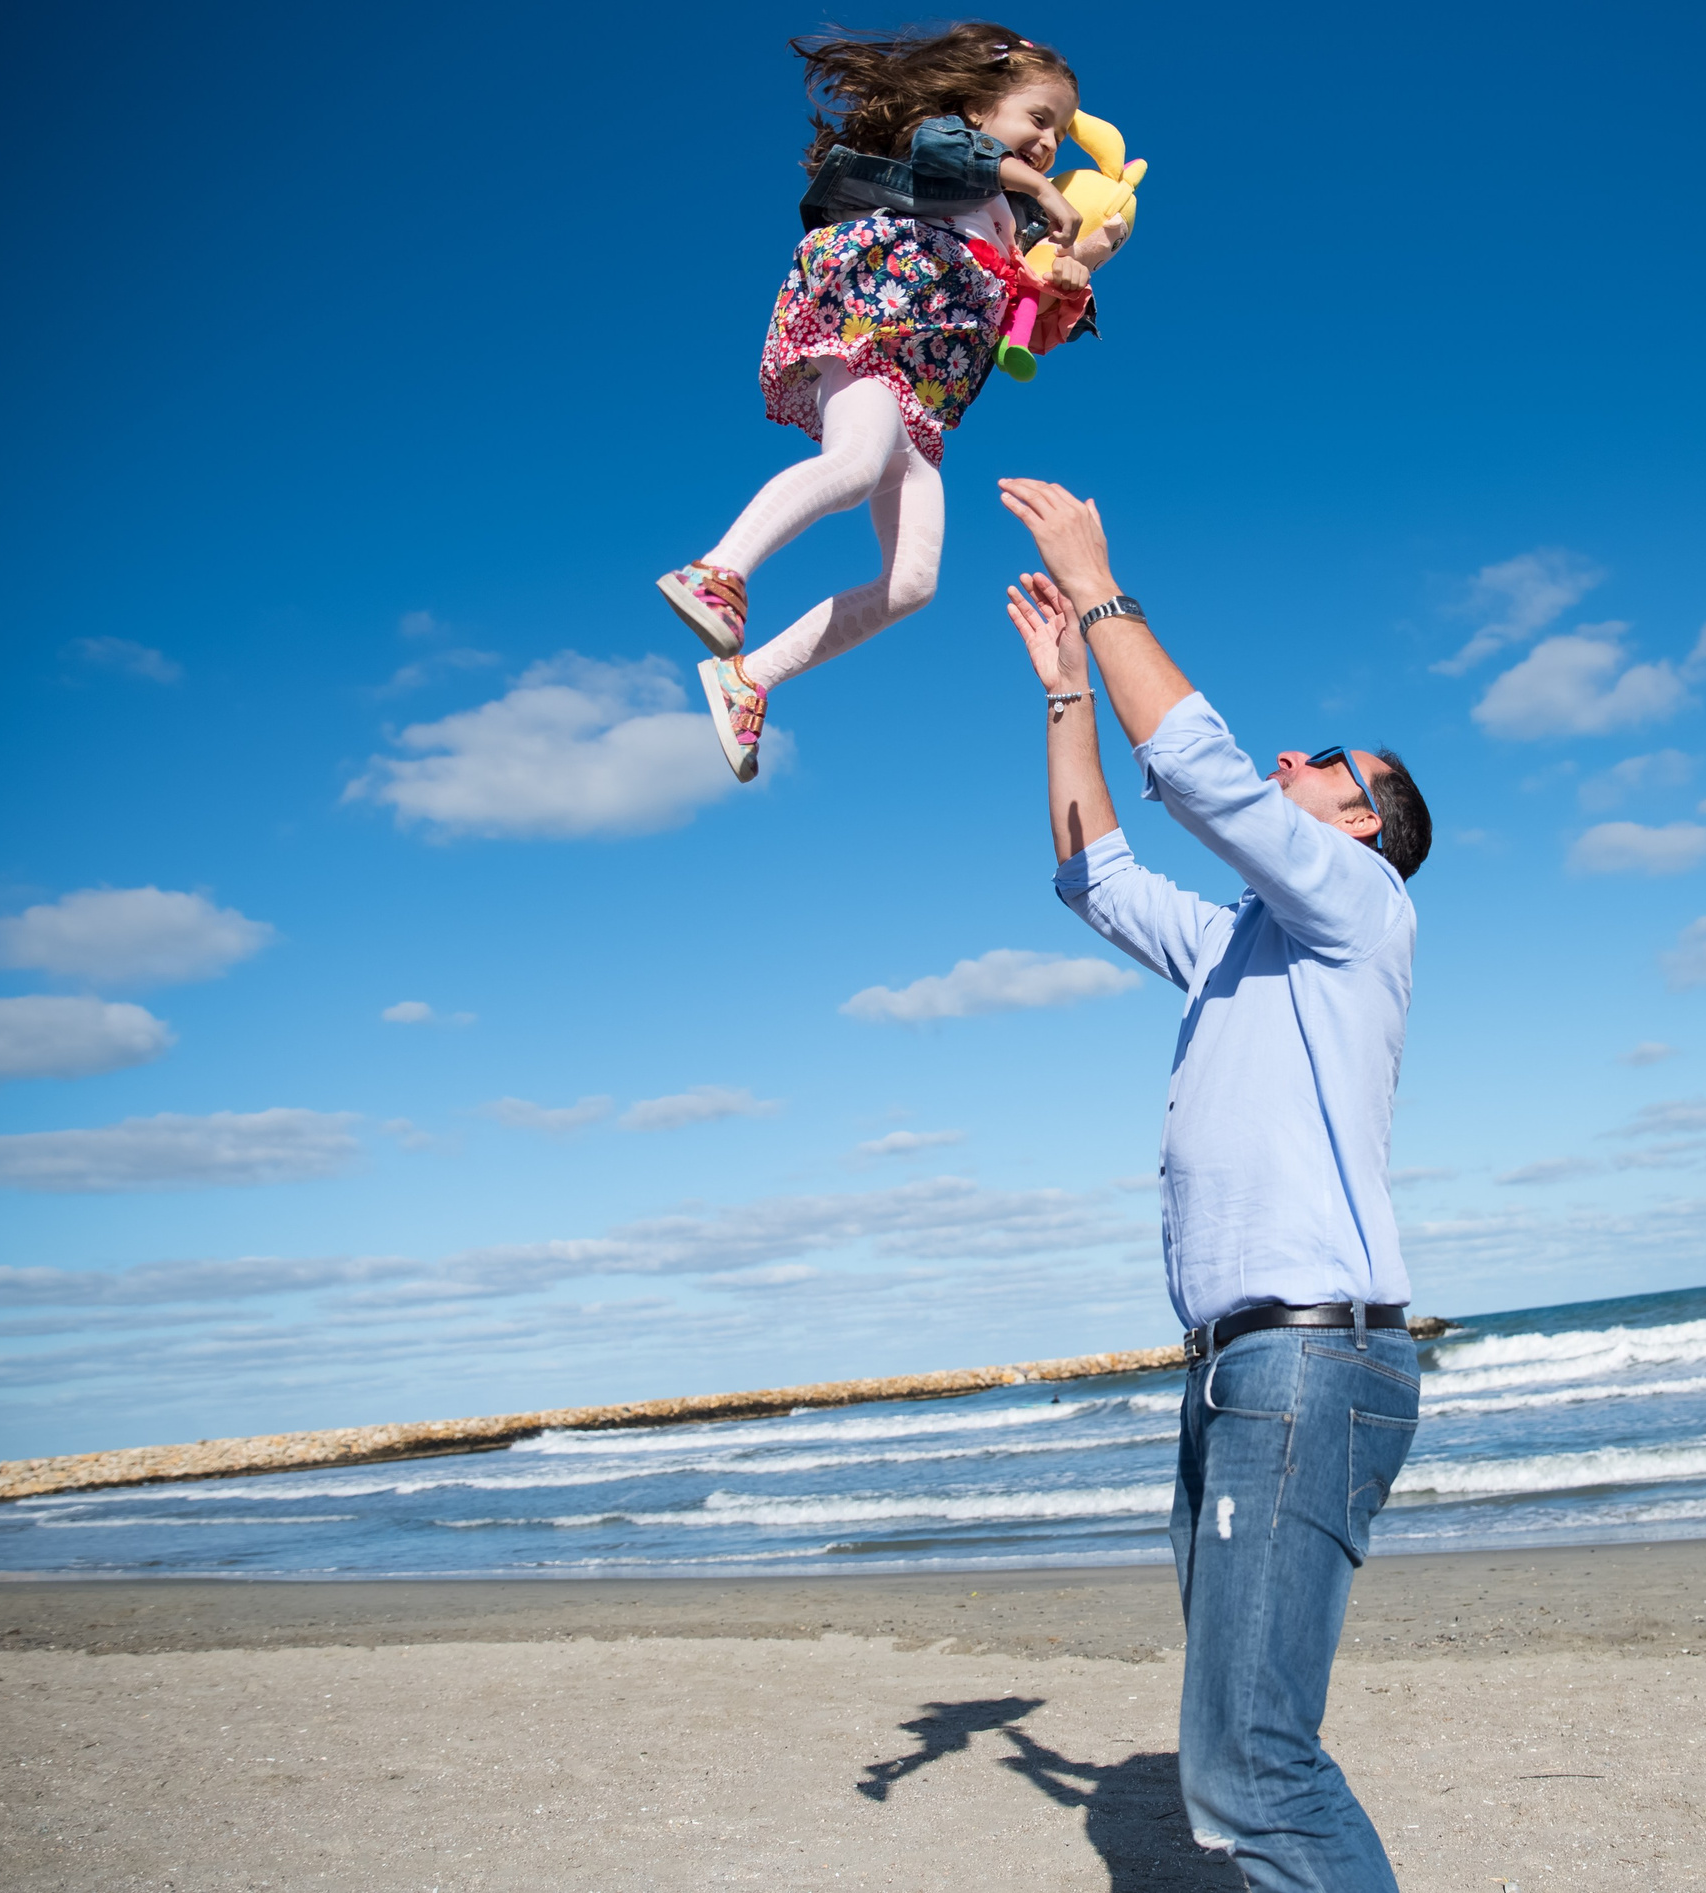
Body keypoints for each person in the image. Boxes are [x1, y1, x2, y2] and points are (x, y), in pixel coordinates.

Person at [1000, 477, 1436, 1893]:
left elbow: (1202, 775)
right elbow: (1094, 878)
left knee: (1250, 1759)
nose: (1297, 762)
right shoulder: (1243, 943)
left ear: (1361, 825)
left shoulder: (1361, 910)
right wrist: (1067, 688)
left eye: (1326, 766)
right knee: (1244, 1746)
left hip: (1311, 1363)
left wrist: (1100, 580)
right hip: (1239, 1372)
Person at [660, 24, 1134, 781]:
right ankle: (720, 570)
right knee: (851, 463)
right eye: (1038, 119)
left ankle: (748, 679)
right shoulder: (956, 152)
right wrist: (1035, 183)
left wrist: (1069, 279)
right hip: (872, 336)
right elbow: (945, 151)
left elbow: (1023, 331)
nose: (1049, 142)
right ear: (980, 106)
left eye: (1058, 134)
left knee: (912, 582)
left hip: (922, 401)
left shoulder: (1012, 230)